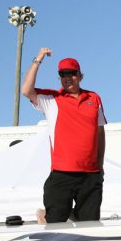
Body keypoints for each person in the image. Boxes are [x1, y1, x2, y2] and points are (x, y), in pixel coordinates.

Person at [22, 48, 106, 223]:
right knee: (56, 226)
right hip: (62, 174)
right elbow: (26, 90)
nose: (68, 77)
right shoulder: (52, 98)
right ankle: (45, 215)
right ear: (59, 77)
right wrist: (38, 59)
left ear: (80, 76)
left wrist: (100, 165)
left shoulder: (94, 98)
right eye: (63, 74)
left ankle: (70, 215)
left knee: (90, 227)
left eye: (72, 73)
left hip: (91, 174)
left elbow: (100, 133)